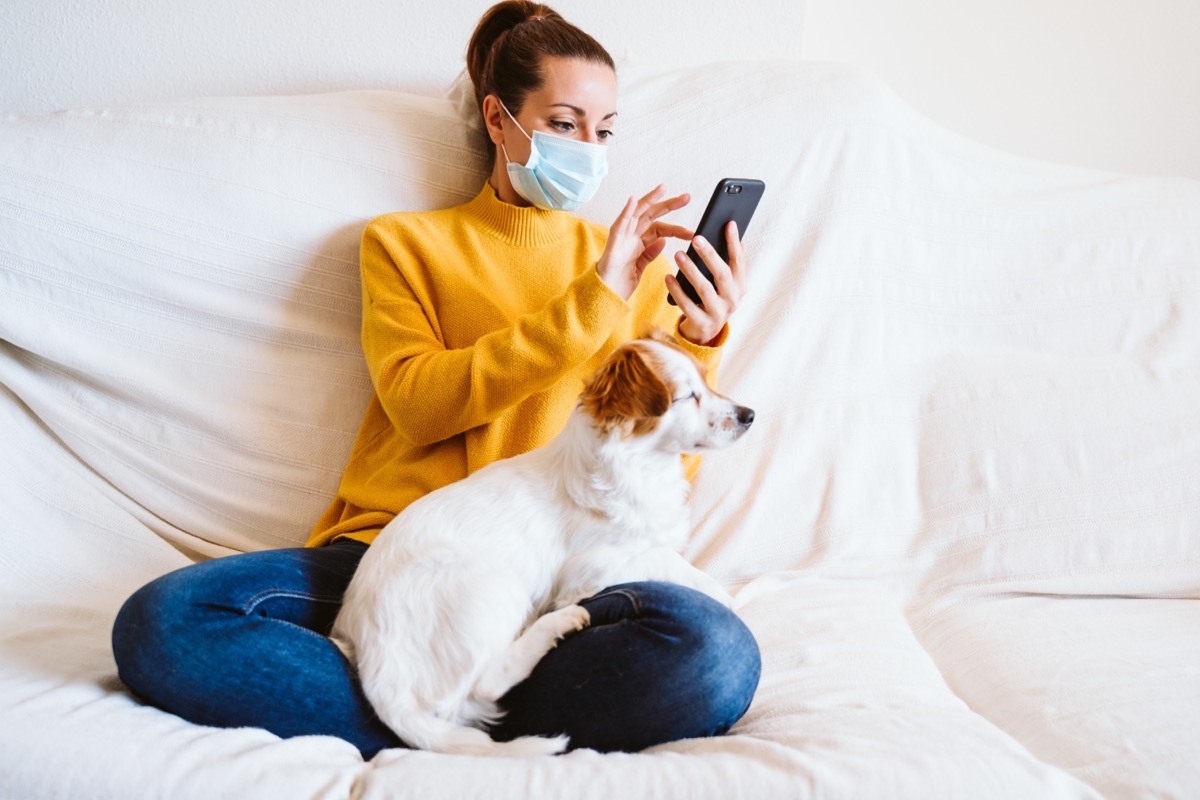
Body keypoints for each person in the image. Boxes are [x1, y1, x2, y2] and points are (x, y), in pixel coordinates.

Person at [111, 0, 761, 759]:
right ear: (498, 119)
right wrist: (595, 298)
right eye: (564, 123)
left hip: (561, 569)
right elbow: (420, 405)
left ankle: (448, 712)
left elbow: (645, 471)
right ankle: (442, 715)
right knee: (165, 622)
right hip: (397, 555)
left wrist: (701, 342)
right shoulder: (406, 244)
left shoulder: (638, 272)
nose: (590, 148)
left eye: (605, 130)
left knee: (717, 657)